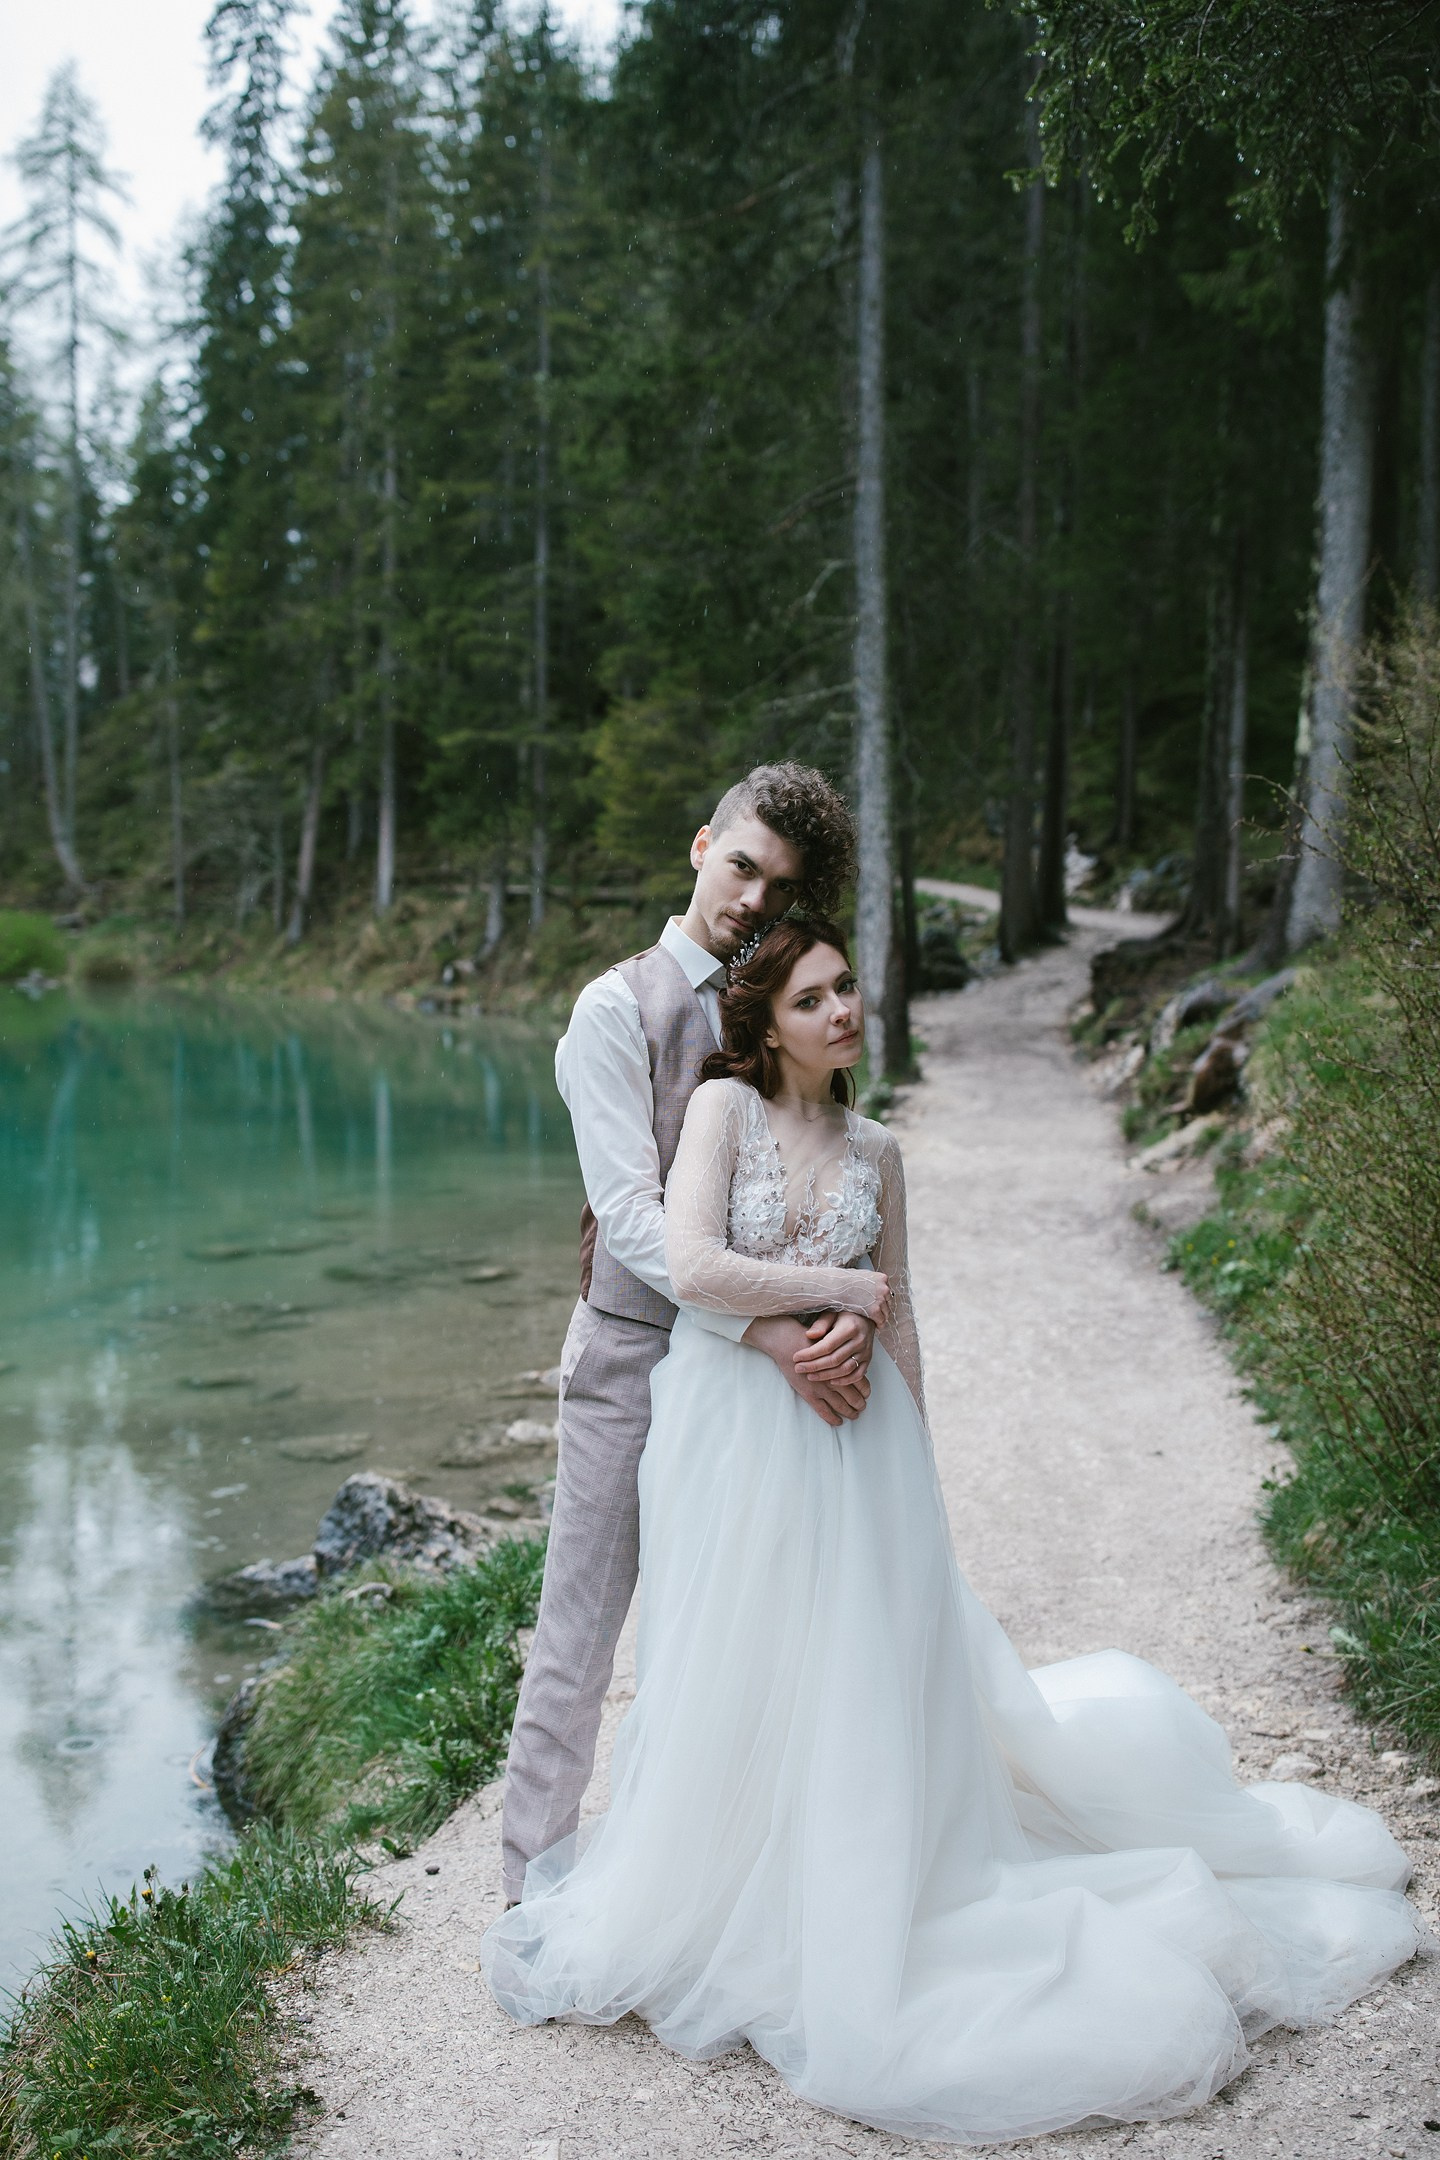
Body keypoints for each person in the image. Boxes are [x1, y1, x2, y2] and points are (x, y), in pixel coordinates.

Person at [484, 915, 1422, 2145]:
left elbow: (904, 1312)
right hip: (726, 1433)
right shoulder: (721, 1113)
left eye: (849, 988)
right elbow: (699, 1265)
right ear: (766, 1022)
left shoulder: (879, 1148)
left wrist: (910, 1464)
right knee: (735, 1657)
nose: (843, 1010)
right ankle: (729, 1893)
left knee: (862, 1669)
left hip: (852, 1439)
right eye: (814, 996)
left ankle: (859, 1881)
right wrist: (836, 1294)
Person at [500, 762, 871, 1910]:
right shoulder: (614, 1011)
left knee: (750, 1631)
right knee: (582, 1633)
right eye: (745, 864)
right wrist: (765, 1326)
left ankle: (750, 1882)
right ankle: (533, 1890)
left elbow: (822, 1167)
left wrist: (836, 1319)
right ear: (702, 845)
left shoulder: (794, 999)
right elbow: (633, 1222)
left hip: (760, 1387)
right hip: (632, 1361)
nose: (756, 896)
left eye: (782, 882)